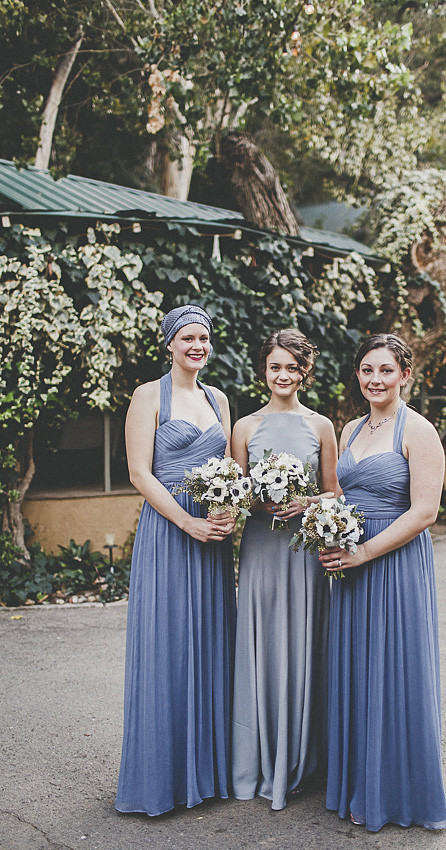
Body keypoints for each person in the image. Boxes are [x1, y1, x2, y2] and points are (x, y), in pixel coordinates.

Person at [320, 332, 446, 832]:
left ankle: (394, 792)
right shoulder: (351, 428)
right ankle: (359, 780)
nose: (376, 380)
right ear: (358, 374)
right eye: (367, 370)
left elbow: (425, 512)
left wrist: (364, 553)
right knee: (358, 667)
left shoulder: (418, 430)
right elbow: (342, 494)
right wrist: (312, 510)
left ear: (405, 375)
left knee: (393, 668)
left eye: (386, 370)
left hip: (392, 564)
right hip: (351, 566)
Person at [115, 305, 236, 816]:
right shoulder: (148, 396)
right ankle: (160, 779)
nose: (197, 346)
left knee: (210, 641)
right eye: (187, 338)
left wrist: (227, 510)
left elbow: (228, 466)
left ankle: (205, 775)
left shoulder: (218, 399)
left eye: (203, 338)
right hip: (170, 532)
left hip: (212, 535)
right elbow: (139, 474)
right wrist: (187, 522)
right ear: (169, 343)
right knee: (167, 645)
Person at [231, 329, 339, 810]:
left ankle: (299, 759)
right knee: (263, 643)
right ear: (264, 371)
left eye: (292, 367)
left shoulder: (322, 426)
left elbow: (334, 491)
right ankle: (258, 757)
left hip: (303, 553)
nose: (283, 375)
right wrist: (262, 501)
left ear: (304, 372)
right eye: (275, 366)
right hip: (261, 548)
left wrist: (305, 502)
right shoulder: (244, 427)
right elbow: (235, 496)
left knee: (301, 642)